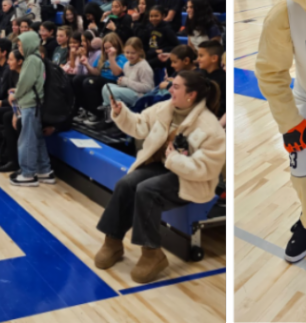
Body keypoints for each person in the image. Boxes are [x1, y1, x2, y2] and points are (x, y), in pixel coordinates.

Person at [94, 70, 226, 283]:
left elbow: (207, 169)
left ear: (191, 95)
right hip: (164, 167)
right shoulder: (164, 108)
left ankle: (152, 253)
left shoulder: (210, 127)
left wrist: (174, 159)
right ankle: (113, 242)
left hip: (192, 180)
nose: (170, 88)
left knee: (147, 190)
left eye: (176, 86)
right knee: (126, 183)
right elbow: (139, 126)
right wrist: (121, 112)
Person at [10, 31, 54, 186]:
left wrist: (16, 95)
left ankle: (28, 174)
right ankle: (44, 171)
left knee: (27, 140)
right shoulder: (35, 59)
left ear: (29, 44)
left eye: (21, 45)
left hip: (30, 104)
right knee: (37, 138)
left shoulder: (30, 60)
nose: (19, 47)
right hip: (35, 104)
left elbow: (26, 83)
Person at [75, 33, 127, 123]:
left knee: (89, 83)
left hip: (114, 82)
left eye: (109, 47)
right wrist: (87, 64)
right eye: (105, 48)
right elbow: (96, 72)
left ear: (116, 46)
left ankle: (97, 114)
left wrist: (111, 58)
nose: (107, 50)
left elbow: (116, 73)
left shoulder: (122, 57)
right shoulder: (102, 56)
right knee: (77, 79)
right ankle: (87, 109)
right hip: (101, 79)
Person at [101, 37, 156, 115]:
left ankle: (121, 116)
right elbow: (127, 82)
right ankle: (109, 113)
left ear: (140, 52)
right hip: (130, 91)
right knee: (106, 87)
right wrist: (121, 81)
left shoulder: (143, 67)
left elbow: (148, 88)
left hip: (140, 95)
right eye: (127, 52)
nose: (129, 55)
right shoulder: (127, 64)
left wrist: (126, 81)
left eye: (133, 53)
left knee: (114, 92)